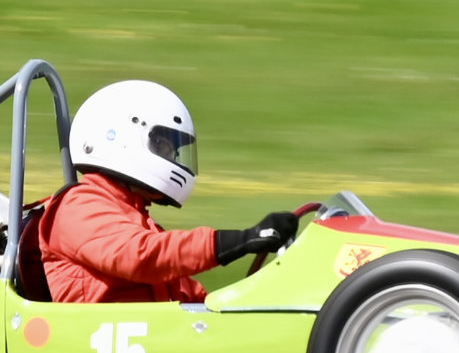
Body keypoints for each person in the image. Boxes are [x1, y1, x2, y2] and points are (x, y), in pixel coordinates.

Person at [39, 79, 300, 304]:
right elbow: (140, 258)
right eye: (163, 146)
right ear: (121, 137)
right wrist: (240, 240)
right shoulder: (78, 206)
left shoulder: (137, 219)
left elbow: (190, 298)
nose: (174, 157)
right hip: (93, 345)